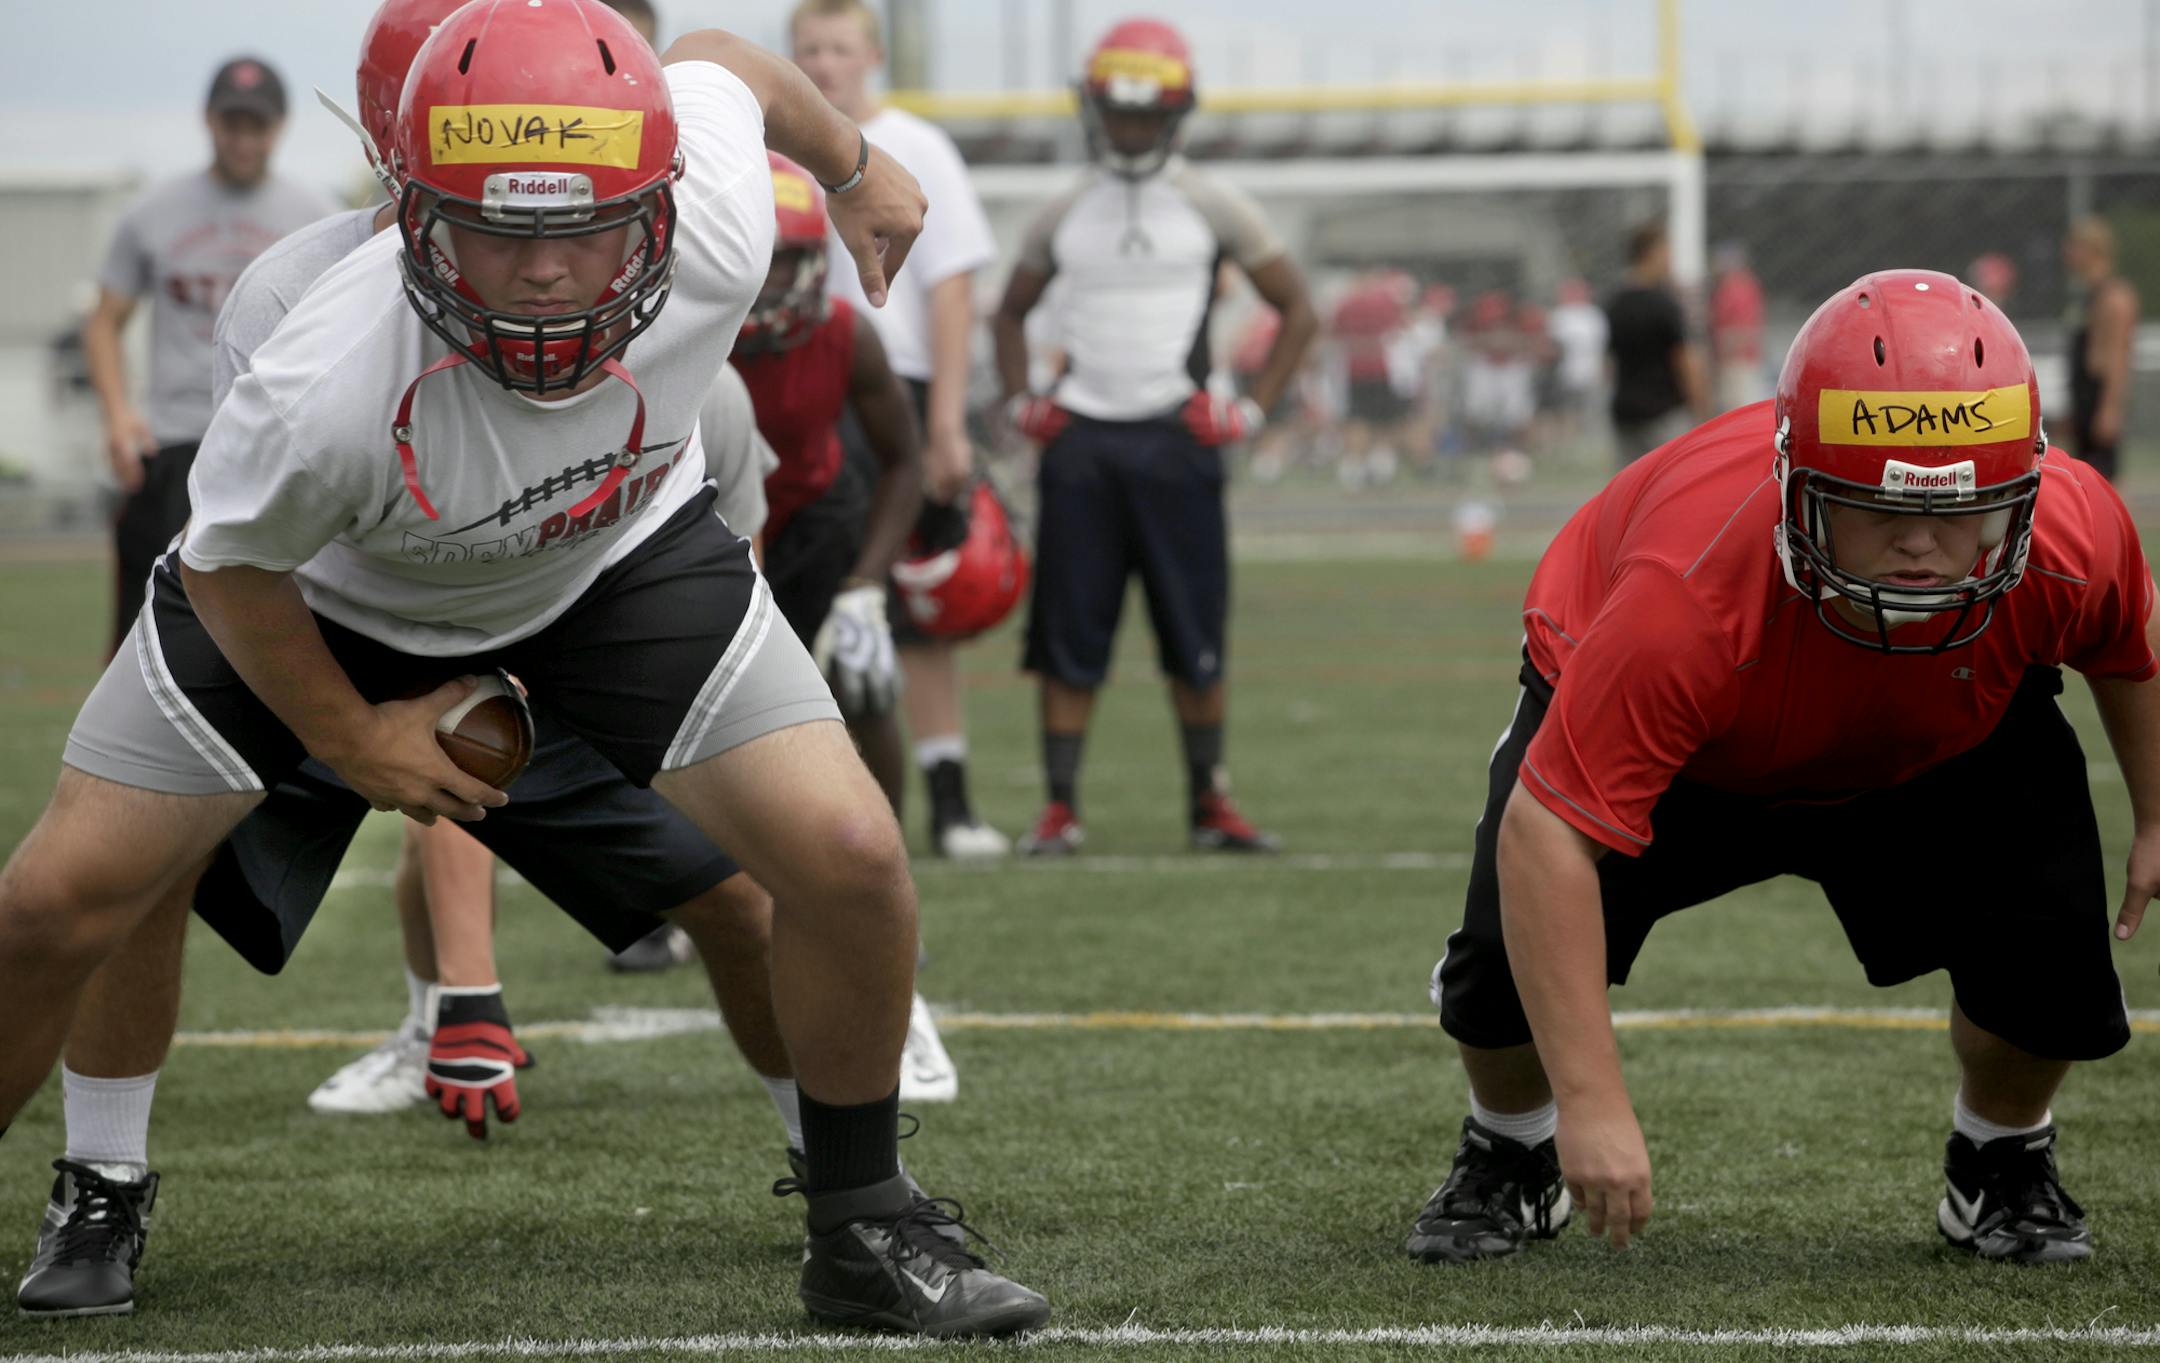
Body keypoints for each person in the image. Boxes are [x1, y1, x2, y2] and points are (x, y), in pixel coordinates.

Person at [0, 0, 1046, 1337]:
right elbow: (228, 568)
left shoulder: (719, 226)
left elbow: (721, 59)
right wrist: (355, 732)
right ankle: (101, 1172)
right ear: (416, 215)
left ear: (662, 207)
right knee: (54, 900)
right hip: (331, 596)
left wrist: (851, 164)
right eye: (501, 231)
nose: (549, 274)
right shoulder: (321, 352)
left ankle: (863, 1223)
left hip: (608, 563)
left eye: (587, 227)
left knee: (848, 856)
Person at [1406, 270, 2156, 1269]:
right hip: (1701, 748)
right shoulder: (1688, 593)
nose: (1925, 544)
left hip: (1942, 730)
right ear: (1798, 485)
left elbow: (2124, 645)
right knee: (1505, 965)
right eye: (1878, 508)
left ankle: (2001, 1157)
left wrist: (2155, 813)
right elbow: (1546, 834)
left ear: (2018, 485)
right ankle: (1509, 1149)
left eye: (1966, 505)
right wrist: (1591, 1104)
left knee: (2050, 956)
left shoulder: (2065, 528)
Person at [991, 17, 1317, 857]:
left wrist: (1248, 409)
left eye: (1146, 112)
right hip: (1082, 446)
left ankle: (1210, 801)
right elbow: (1010, 311)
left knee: (1193, 626)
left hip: (1178, 439)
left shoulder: (1211, 201)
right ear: (1094, 109)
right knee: (1068, 629)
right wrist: (1026, 400)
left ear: (1175, 112)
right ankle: (1060, 808)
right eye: (1119, 111)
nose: (1131, 127)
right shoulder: (1064, 207)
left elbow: (1298, 308)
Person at [730, 151, 960, 1103]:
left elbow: (902, 461)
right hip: (708, 523)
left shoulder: (842, 335)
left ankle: (881, 894)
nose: (779, 284)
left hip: (817, 527)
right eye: (764, 262)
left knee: (863, 685)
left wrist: (867, 585)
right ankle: (686, 896)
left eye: (794, 261)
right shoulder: (688, 330)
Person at [791, 0, 1009, 859]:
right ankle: (807, 805)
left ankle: (949, 800)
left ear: (871, 55)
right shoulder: (773, 149)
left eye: (840, 48)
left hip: (898, 392)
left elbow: (952, 287)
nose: (826, 63)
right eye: (810, 49)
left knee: (916, 607)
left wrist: (949, 421)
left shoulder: (917, 145)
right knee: (800, 597)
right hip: (795, 390)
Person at [83, 56, 334, 657]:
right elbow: (103, 320)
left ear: (278, 126)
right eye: (232, 123)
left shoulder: (318, 216)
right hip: (174, 444)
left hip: (270, 446)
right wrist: (119, 419)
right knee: (142, 630)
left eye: (256, 125)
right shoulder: (153, 211)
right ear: (209, 121)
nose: (243, 139)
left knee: (277, 631)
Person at [1602, 222, 1707, 465]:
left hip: (1625, 411)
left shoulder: (1615, 304)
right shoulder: (1664, 305)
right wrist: (1702, 412)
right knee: (1670, 486)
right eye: (1667, 252)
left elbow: (1609, 362)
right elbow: (1685, 361)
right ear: (1651, 253)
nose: (1670, 260)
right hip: (1663, 413)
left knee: (1630, 490)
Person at [2064, 216, 2140, 482]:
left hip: (2099, 396)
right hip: (2084, 396)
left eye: (2074, 246)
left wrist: (2110, 409)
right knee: (2084, 477)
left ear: (2093, 249)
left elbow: (2119, 357)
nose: (2068, 252)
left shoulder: (2114, 297)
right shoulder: (2087, 296)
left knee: (2105, 481)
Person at [1708, 243, 1768, 412]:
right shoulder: (1732, 288)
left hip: (1737, 360)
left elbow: (1742, 330)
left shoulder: (1738, 288)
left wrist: (1725, 354)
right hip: (1736, 359)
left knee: (1740, 407)